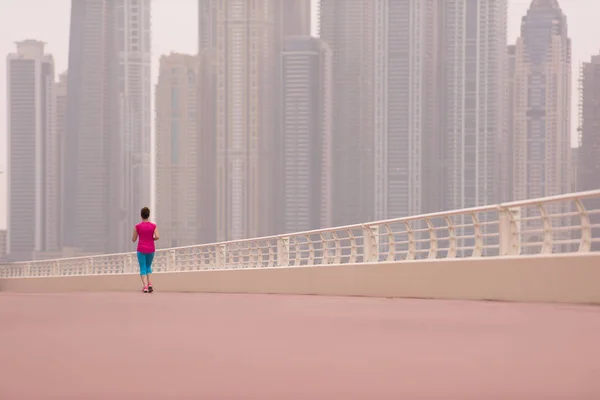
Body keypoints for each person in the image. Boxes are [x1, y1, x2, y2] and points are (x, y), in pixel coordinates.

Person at [132, 207, 159, 293]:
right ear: (148, 215)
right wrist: (151, 239)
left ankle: (145, 286)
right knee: (148, 266)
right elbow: (157, 236)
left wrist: (136, 236)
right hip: (151, 249)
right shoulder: (153, 226)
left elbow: (134, 239)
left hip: (141, 249)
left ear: (141, 215)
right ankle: (150, 283)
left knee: (143, 268)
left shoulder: (137, 226)